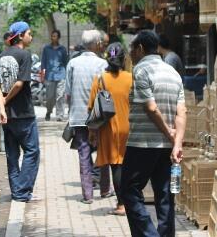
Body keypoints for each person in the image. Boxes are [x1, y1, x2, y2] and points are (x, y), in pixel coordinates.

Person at [121, 30, 186, 237]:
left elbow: (150, 108)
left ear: (140, 49)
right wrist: (176, 144)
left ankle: (149, 234)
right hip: (166, 147)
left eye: (132, 49)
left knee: (129, 190)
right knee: (165, 194)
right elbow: (181, 111)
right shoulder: (172, 72)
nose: (130, 53)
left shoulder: (141, 70)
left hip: (142, 143)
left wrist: (169, 135)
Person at [0, 22, 40, 202]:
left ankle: (17, 191)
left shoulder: (1, 56)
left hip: (7, 116)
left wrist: (2, 107)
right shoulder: (24, 55)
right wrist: (5, 101)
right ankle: (21, 192)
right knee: (32, 151)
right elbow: (20, 83)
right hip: (24, 114)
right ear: (20, 36)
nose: (31, 36)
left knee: (12, 154)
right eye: (29, 33)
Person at [88, 42, 132, 216]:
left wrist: (92, 133)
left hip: (109, 130)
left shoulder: (100, 80)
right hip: (130, 128)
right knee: (129, 166)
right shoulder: (131, 78)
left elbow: (91, 108)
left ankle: (122, 205)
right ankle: (131, 203)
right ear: (123, 59)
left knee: (117, 166)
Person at [65, 29, 109, 204]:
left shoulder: (73, 64)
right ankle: (105, 190)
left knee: (84, 153)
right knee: (103, 152)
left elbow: (68, 93)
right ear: (97, 44)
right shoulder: (103, 64)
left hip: (78, 117)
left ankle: (88, 195)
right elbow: (106, 93)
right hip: (99, 117)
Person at [41, 29, 68, 121]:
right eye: (52, 36)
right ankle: (49, 111)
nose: (53, 38)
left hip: (61, 75)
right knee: (50, 97)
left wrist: (66, 75)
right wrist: (42, 75)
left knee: (60, 96)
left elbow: (66, 63)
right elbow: (43, 63)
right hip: (49, 76)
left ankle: (60, 115)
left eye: (55, 36)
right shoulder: (46, 49)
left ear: (58, 38)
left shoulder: (63, 49)